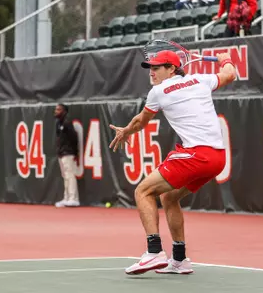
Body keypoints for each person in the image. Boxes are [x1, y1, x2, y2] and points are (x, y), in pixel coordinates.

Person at [109, 51, 237, 275]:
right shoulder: (201, 79)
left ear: (172, 69)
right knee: (169, 197)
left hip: (196, 155)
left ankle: (154, 251)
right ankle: (179, 259)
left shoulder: (158, 92)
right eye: (150, 68)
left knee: (143, 191)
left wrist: (126, 131)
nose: (152, 72)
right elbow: (230, 74)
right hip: (217, 159)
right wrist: (225, 57)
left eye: (157, 68)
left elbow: (141, 121)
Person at [54, 103, 80, 208]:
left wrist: (75, 153)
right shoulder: (58, 123)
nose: (56, 111)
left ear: (64, 111)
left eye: (58, 109)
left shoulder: (67, 123)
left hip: (68, 153)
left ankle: (74, 199)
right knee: (65, 177)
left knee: (70, 175)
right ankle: (66, 198)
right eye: (56, 109)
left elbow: (74, 139)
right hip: (61, 154)